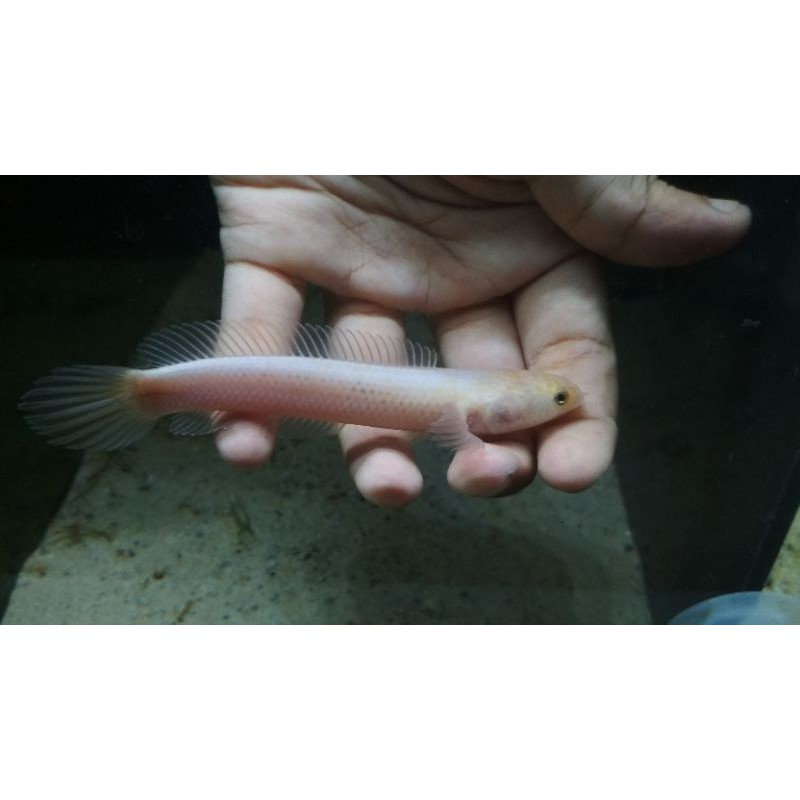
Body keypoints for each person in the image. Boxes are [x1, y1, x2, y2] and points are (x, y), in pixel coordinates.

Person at [210, 176, 751, 508]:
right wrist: (471, 443)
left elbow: (464, 422)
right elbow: (461, 426)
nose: (566, 401)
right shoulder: (482, 401)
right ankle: (156, 391)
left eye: (560, 396)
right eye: (559, 398)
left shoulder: (486, 398)